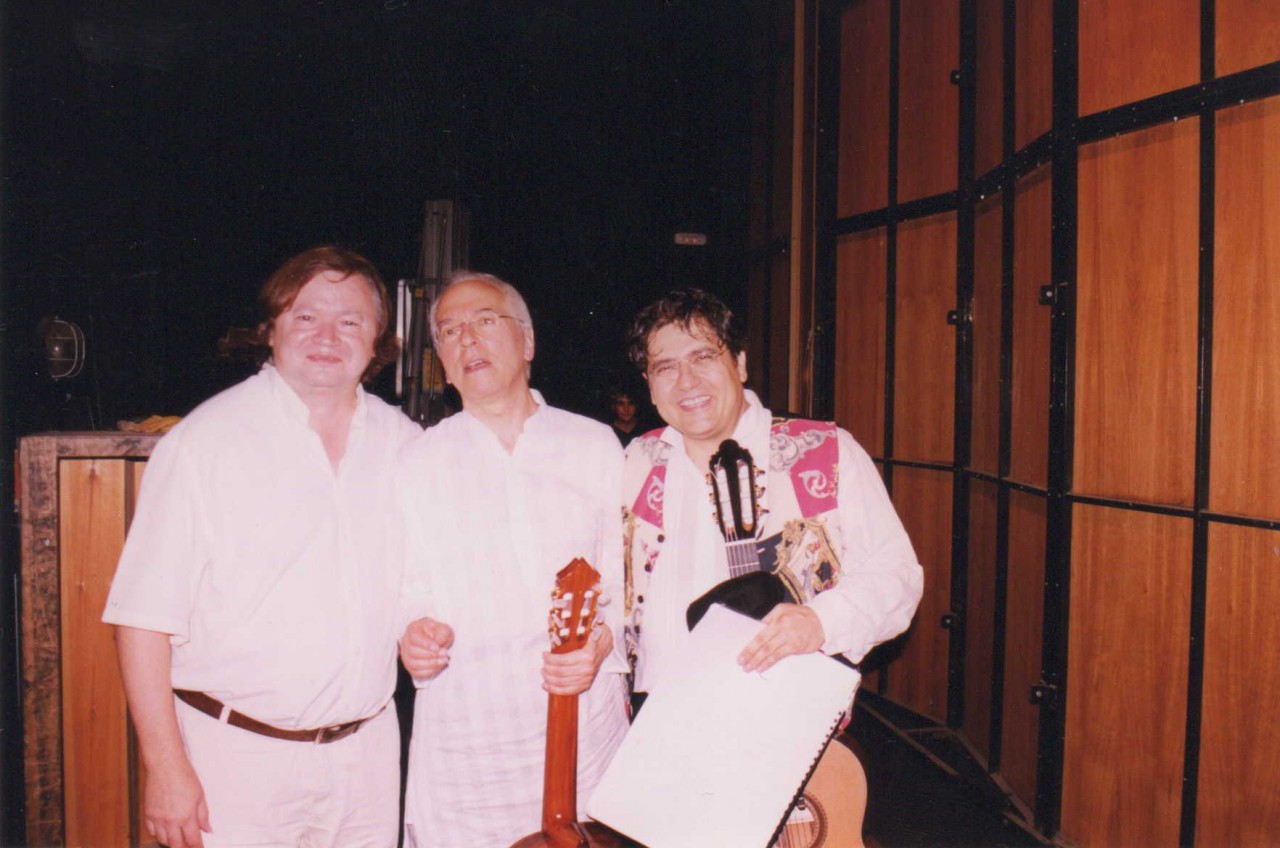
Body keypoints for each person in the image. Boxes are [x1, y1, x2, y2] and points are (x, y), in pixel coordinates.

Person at [103, 246, 422, 848]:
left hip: (368, 760)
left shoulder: (405, 444)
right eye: (305, 316)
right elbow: (140, 621)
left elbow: (418, 586)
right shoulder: (205, 443)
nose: (327, 336)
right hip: (235, 762)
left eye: (349, 320)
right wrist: (165, 767)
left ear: (378, 341)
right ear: (271, 331)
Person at [397, 271, 630, 848]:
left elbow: (627, 579)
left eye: (484, 321)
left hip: (584, 728)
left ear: (527, 342)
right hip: (468, 739)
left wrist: (603, 642)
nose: (467, 339)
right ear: (443, 364)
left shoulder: (594, 444)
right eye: (449, 331)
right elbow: (405, 585)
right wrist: (412, 633)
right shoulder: (417, 461)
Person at [621, 288, 924, 704]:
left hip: (785, 714)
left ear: (740, 364)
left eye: (703, 357)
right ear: (650, 386)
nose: (686, 381)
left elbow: (896, 576)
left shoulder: (825, 452)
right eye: (665, 367)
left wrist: (820, 621)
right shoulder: (636, 462)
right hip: (658, 713)